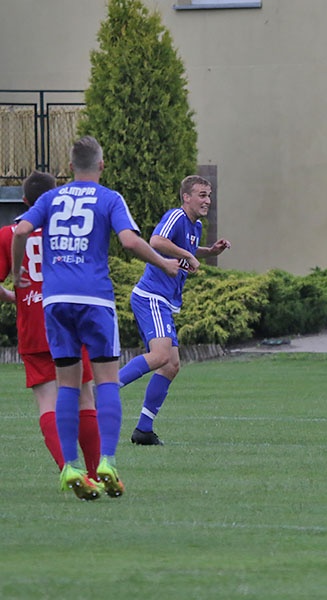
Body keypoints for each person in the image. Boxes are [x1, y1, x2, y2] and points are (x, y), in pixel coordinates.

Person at [12, 136, 181, 500]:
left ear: (70, 167)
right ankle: (106, 462)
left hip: (55, 303)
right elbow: (130, 242)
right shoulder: (109, 198)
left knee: (68, 386)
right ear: (101, 166)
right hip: (95, 300)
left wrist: (15, 273)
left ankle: (71, 466)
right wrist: (164, 262)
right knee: (104, 381)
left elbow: (22, 231)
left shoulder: (49, 198)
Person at [0, 171, 102, 494]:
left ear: (25, 200)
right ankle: (96, 474)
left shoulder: (8, 235)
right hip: (69, 323)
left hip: (33, 328)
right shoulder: (67, 230)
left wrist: (10, 294)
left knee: (47, 401)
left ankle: (68, 469)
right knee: (85, 398)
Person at [118, 175, 231, 445]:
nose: (207, 200)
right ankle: (106, 388)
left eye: (209, 195)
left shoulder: (196, 225)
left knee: (171, 365)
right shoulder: (176, 216)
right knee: (159, 356)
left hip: (165, 301)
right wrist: (190, 255)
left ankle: (144, 429)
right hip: (151, 297)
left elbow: (186, 249)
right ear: (186, 197)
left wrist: (207, 251)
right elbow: (156, 241)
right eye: (202, 195)